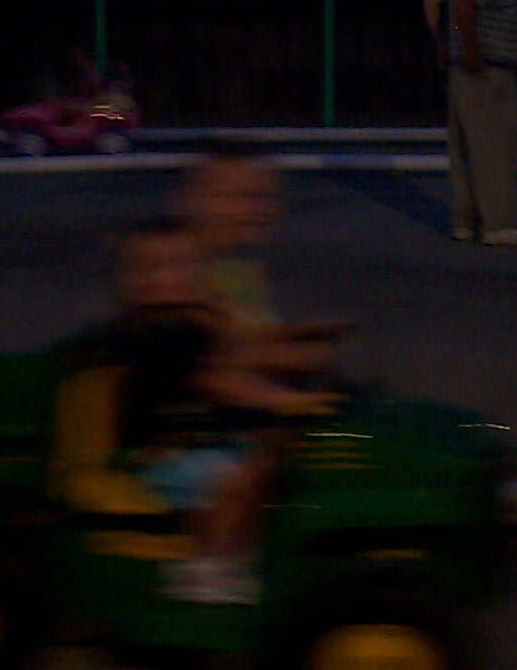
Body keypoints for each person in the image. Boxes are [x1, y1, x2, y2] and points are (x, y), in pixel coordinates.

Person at [108, 217, 341, 605]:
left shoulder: (189, 322)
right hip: (157, 456)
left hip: (194, 441)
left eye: (181, 265)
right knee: (248, 469)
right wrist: (284, 400)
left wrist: (297, 341)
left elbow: (238, 348)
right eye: (149, 268)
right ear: (127, 281)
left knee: (267, 448)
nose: (166, 277)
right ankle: (205, 568)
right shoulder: (155, 332)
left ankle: (244, 548)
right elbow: (215, 380)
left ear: (201, 271)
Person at [179, 143, 352, 376]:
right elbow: (193, 363)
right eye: (244, 197)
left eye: (269, 197)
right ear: (194, 199)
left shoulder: (237, 270)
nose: (262, 210)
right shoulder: (169, 275)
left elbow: (244, 338)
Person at [424, 0, 517, 246]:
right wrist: (471, 51)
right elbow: (464, 4)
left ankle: (465, 222)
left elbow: (432, 0)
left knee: (466, 151)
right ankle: (497, 225)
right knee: (497, 150)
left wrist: (444, 44)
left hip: (464, 72)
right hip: (486, 71)